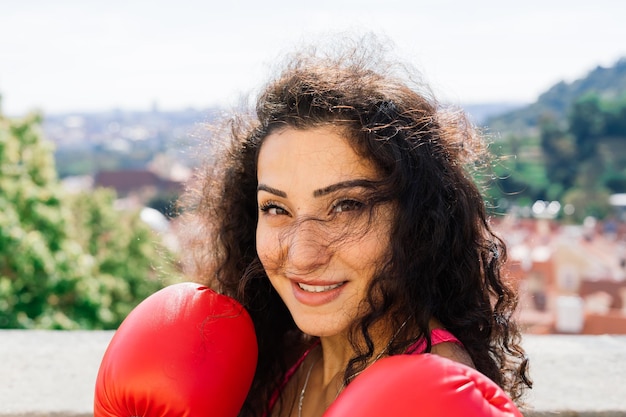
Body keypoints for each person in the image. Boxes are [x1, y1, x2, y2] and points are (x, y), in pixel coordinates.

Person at [179, 37, 532, 417]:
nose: (301, 254)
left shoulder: (433, 397)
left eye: (345, 206)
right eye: (276, 208)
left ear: (417, 221)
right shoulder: (290, 354)